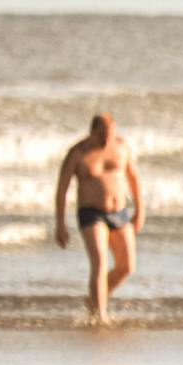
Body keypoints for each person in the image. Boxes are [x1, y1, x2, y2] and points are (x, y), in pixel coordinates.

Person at [53, 113, 143, 326]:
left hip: (120, 212)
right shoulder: (78, 153)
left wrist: (140, 210)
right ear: (92, 132)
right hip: (91, 213)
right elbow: (62, 189)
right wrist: (60, 223)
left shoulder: (121, 147)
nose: (106, 140)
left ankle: (94, 299)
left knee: (126, 267)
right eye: (102, 135)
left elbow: (134, 179)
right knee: (100, 262)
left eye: (110, 135)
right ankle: (99, 315)